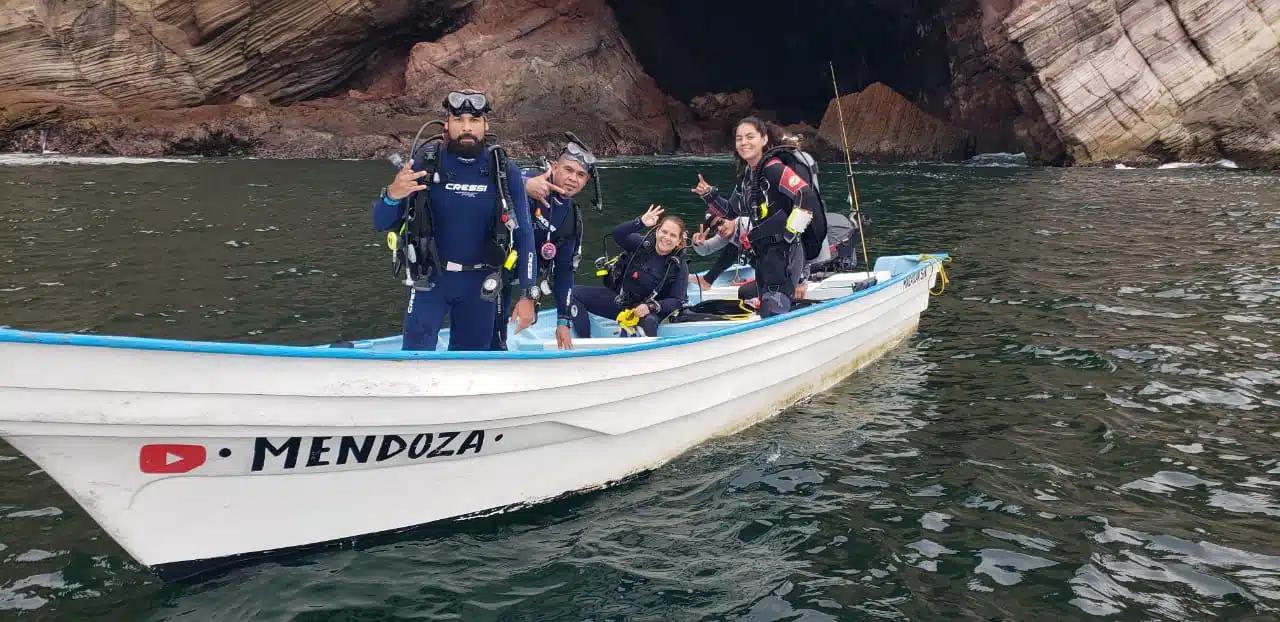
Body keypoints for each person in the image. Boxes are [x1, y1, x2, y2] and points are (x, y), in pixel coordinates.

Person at [371, 90, 538, 351]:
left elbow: (525, 234)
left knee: (470, 364)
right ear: (447, 124)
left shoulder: (504, 170)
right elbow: (381, 222)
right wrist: (393, 194)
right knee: (415, 356)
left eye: (474, 121)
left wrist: (528, 294)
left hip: (480, 284)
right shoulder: (425, 162)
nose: (467, 127)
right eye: (459, 120)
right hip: (430, 281)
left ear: (486, 125)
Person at [691, 116, 828, 317]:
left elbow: (804, 195)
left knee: (773, 308)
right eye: (739, 138)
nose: (744, 142)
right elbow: (730, 211)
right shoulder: (749, 175)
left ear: (764, 139)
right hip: (765, 255)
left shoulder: (772, 168)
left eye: (750, 137)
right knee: (764, 304)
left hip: (784, 252)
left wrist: (791, 232)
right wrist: (710, 195)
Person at [490, 140, 594, 351]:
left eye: (580, 175)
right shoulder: (529, 180)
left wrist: (563, 321)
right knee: (481, 335)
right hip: (486, 273)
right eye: (568, 170)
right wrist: (524, 186)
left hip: (512, 281)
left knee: (498, 339)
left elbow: (565, 271)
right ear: (554, 167)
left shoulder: (571, 218)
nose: (573, 179)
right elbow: (488, 183)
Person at [571, 205, 689, 339]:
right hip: (622, 302)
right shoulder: (641, 245)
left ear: (679, 240)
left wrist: (650, 307)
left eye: (673, 235)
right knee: (573, 293)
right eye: (664, 232)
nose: (666, 238)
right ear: (657, 231)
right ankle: (585, 341)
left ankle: (647, 355)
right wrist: (640, 222)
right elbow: (617, 234)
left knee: (649, 322)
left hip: (647, 312)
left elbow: (677, 300)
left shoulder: (679, 265)